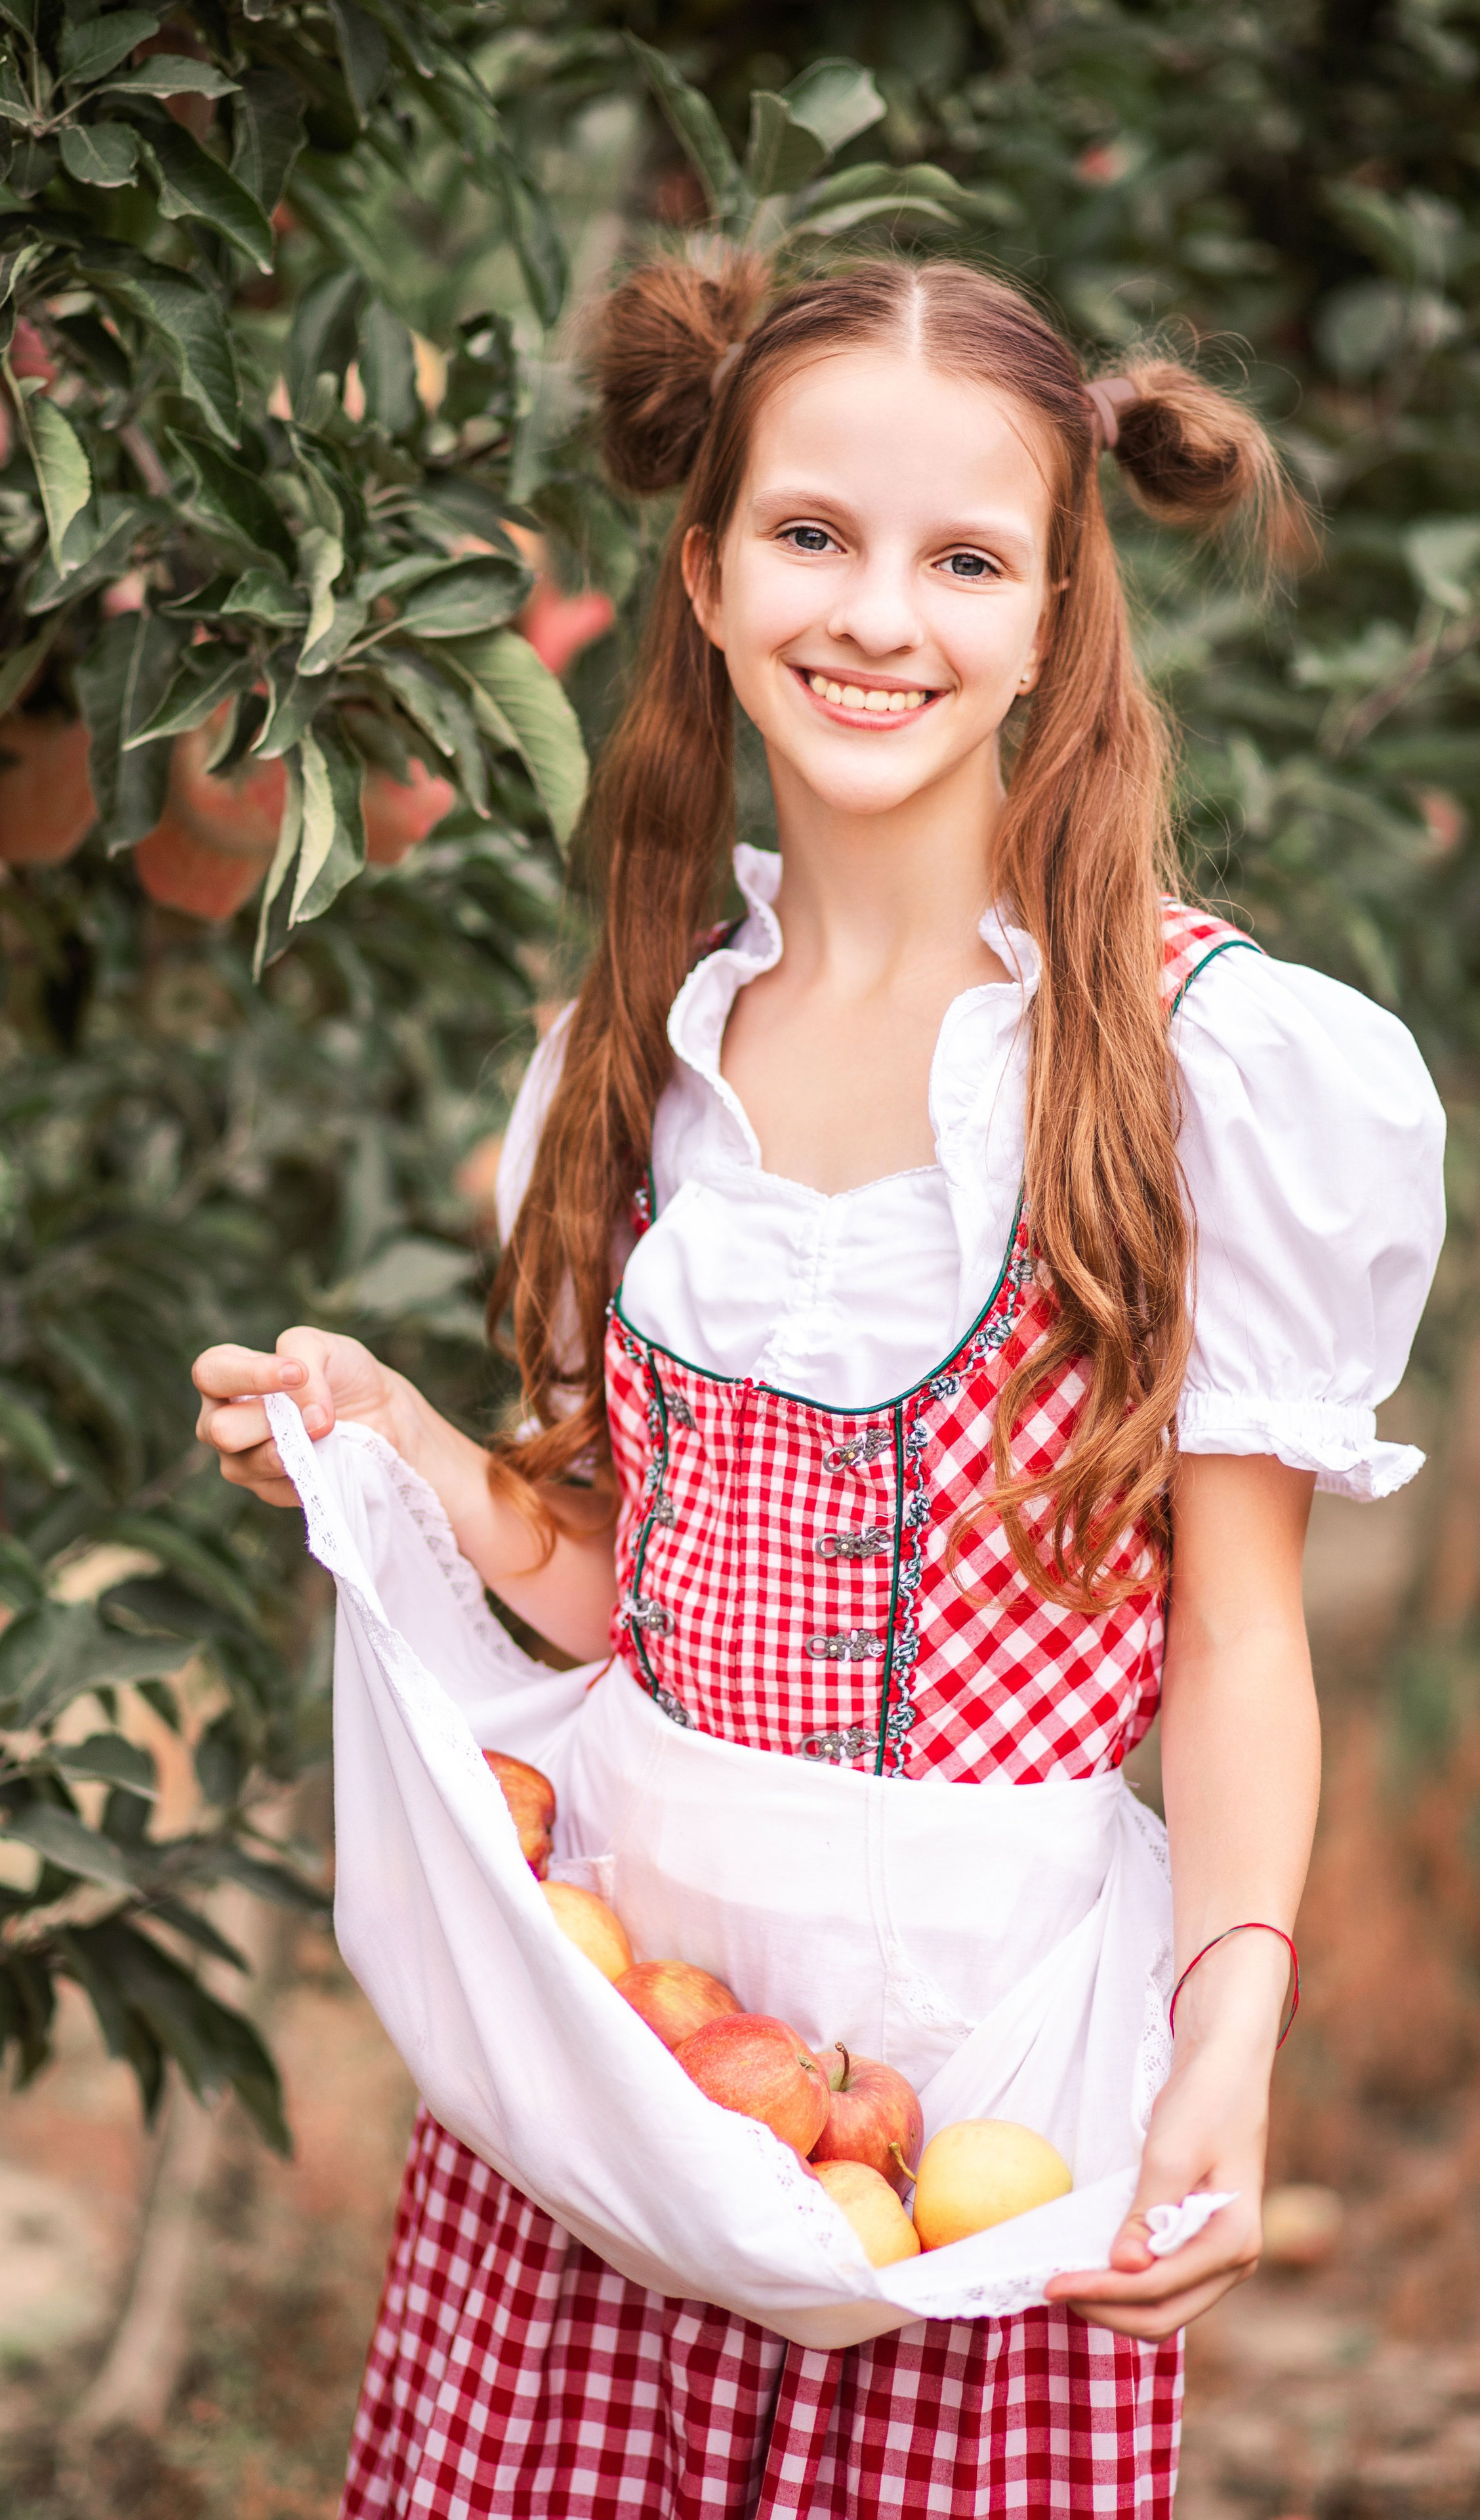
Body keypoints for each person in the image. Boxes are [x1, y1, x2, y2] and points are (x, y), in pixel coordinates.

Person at [192, 253, 1445, 2517]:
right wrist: (413, 1461)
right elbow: (639, 1591)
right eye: (812, 536)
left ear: (1059, 615)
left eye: (966, 559)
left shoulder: (1199, 1075)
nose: (880, 616)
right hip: (624, 2089)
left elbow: (1242, 1639)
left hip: (972, 2124)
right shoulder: (641, 1045)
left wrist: (1228, 2041)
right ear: (704, 566)